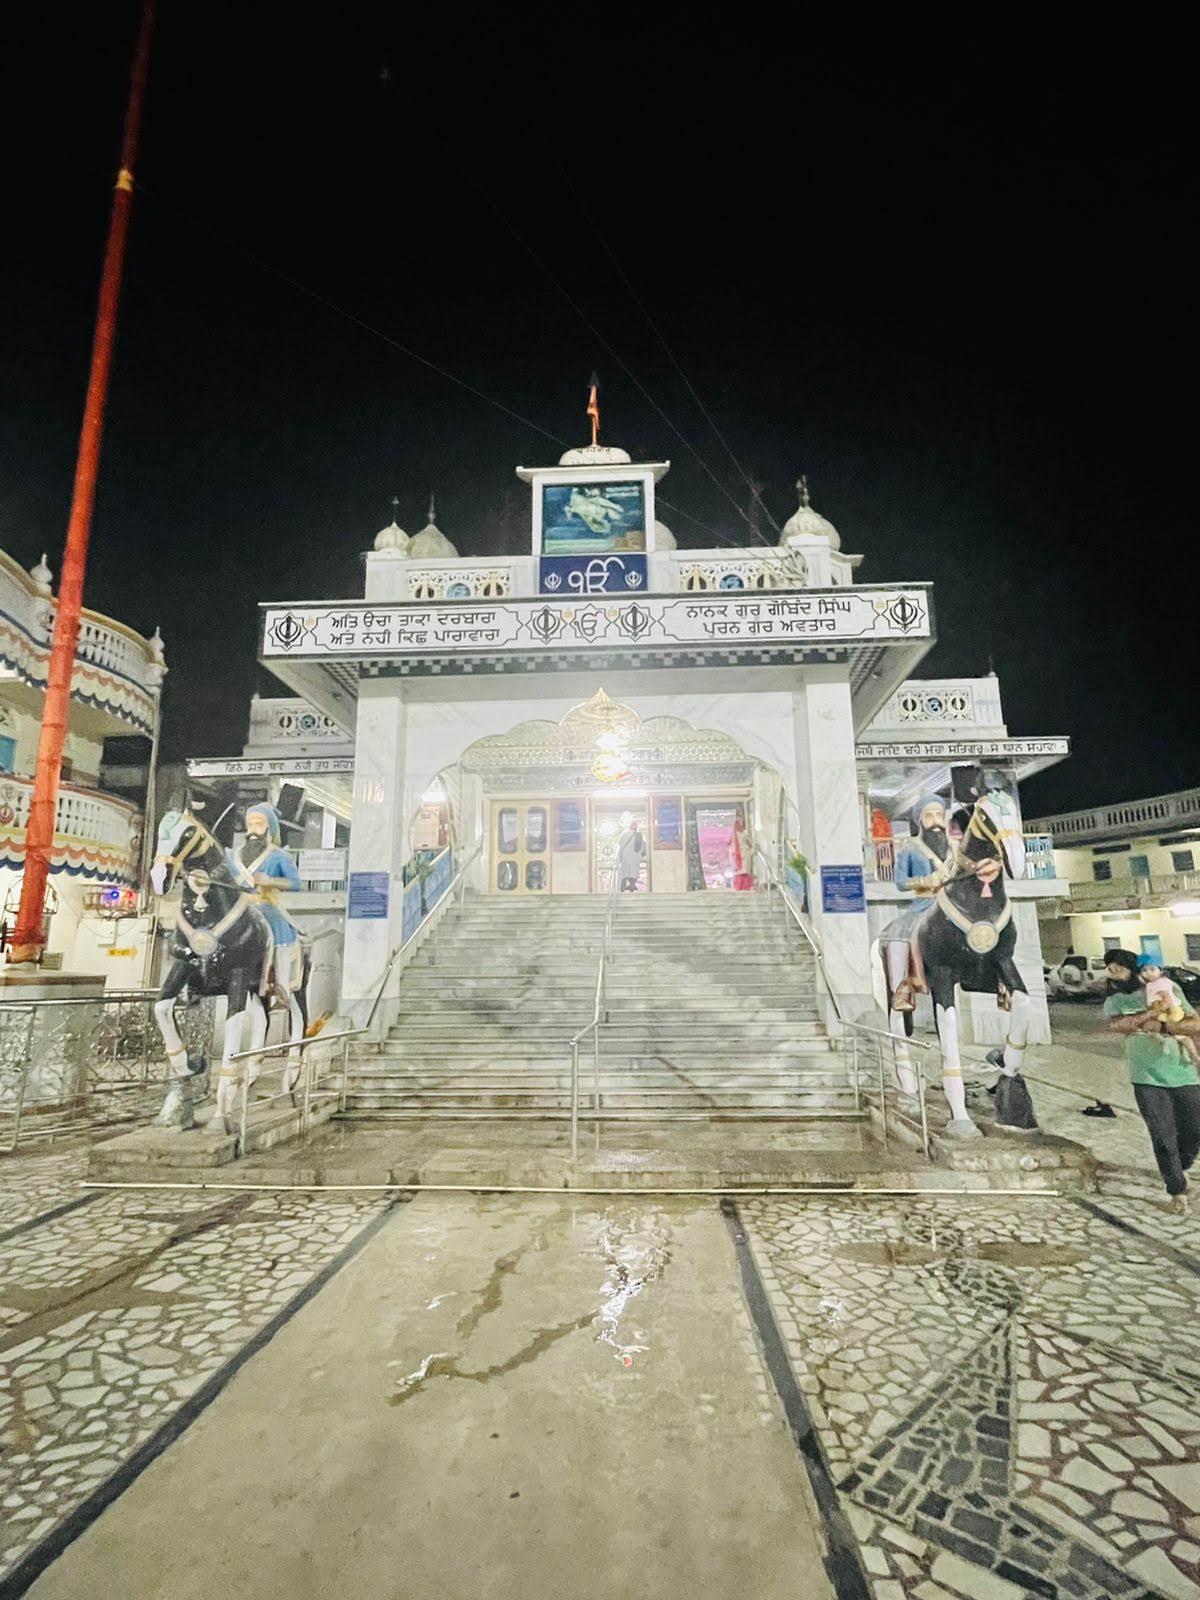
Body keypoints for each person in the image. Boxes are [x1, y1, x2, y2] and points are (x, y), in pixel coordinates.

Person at [1104, 948, 1200, 1213]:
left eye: (1117, 968)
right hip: (1146, 1077)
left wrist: (1164, 1026)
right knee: (1162, 1134)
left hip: (1182, 1072)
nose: (1113, 974)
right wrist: (1147, 1016)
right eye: (1109, 969)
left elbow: (1194, 1023)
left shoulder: (1168, 988)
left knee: (1194, 1130)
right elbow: (1118, 1026)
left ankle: (1179, 1168)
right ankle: (1177, 1190)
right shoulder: (1116, 1001)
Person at [879, 794, 955, 1011]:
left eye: (938, 815)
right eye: (928, 816)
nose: (934, 820)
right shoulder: (910, 848)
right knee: (902, 934)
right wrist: (924, 881)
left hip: (951, 903)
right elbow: (901, 882)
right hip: (923, 903)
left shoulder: (954, 848)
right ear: (920, 820)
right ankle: (904, 985)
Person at [231, 802, 303, 988]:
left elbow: (295, 883)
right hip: (240, 908)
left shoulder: (279, 856)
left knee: (280, 931)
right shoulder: (233, 856)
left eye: (259, 824)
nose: (253, 829)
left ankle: (282, 983)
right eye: (251, 824)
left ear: (269, 827)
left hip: (266, 905)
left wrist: (270, 881)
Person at [1140, 956, 1200, 1068]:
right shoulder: (1150, 985)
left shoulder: (1162, 983)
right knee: (1180, 1036)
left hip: (1172, 1011)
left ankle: (1170, 1045)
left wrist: (1168, 1012)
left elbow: (1167, 998)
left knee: (1168, 1029)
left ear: (1160, 970)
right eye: (1144, 970)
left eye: (1152, 969)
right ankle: (1192, 1055)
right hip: (1164, 1012)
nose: (1148, 973)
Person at [616, 816, 646, 892]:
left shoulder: (625, 835)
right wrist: (640, 856)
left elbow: (620, 846)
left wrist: (620, 857)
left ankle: (626, 887)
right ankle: (630, 887)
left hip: (627, 858)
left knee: (627, 873)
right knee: (632, 873)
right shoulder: (637, 835)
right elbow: (642, 848)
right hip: (633, 858)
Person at [729, 817, 754, 891]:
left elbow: (751, 843)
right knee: (738, 872)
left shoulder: (744, 833)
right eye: (734, 825)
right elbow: (731, 847)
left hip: (744, 855)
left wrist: (752, 851)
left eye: (737, 824)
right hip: (736, 857)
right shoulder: (733, 836)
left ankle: (746, 886)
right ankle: (739, 887)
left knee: (744, 872)